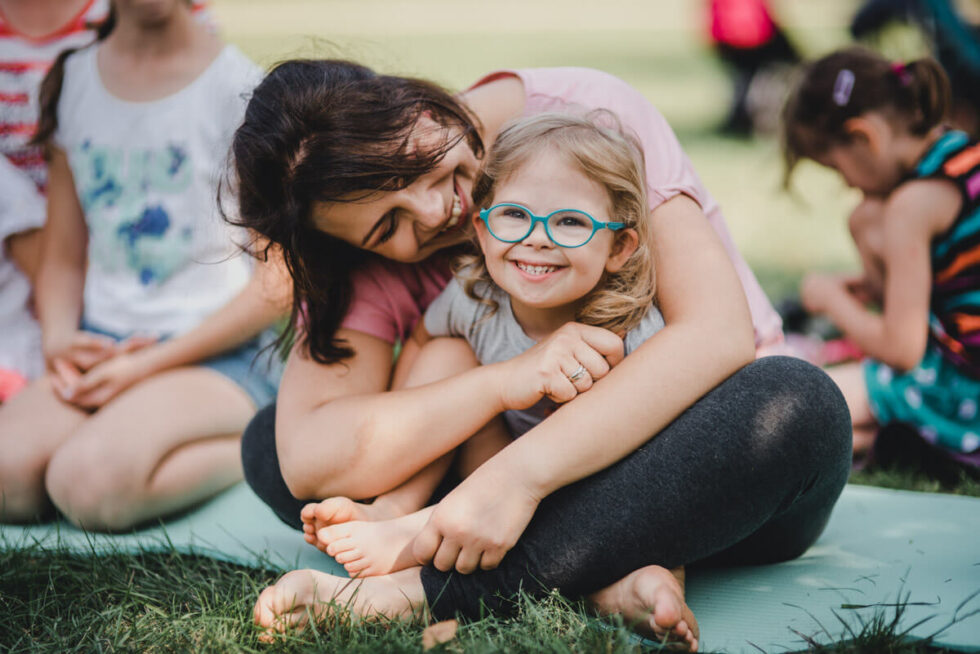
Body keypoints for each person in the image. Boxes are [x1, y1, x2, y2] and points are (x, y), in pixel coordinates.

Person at [232, 60, 851, 644]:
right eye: (386, 227)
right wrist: (505, 384)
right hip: (493, 485)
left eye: (408, 167)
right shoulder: (352, 254)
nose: (435, 211)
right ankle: (597, 574)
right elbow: (311, 459)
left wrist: (514, 481)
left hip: (696, 469)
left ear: (413, 103)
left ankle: (415, 590)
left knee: (799, 406)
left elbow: (716, 336)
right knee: (269, 445)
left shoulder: (585, 127)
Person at [0, 0, 289, 530]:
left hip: (218, 356)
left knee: (87, 487)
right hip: (102, 347)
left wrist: (146, 367)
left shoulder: (242, 90)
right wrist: (61, 339)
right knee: (9, 477)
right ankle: (123, 430)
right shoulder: (73, 81)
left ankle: (270, 443)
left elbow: (276, 288)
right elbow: (64, 256)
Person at [785, 47, 980, 470]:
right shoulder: (958, 150)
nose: (849, 187)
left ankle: (938, 443)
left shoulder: (912, 206)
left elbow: (901, 350)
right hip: (964, 371)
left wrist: (830, 300)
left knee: (800, 407)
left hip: (968, 388)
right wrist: (866, 286)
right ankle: (907, 441)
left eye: (838, 170)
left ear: (863, 138)